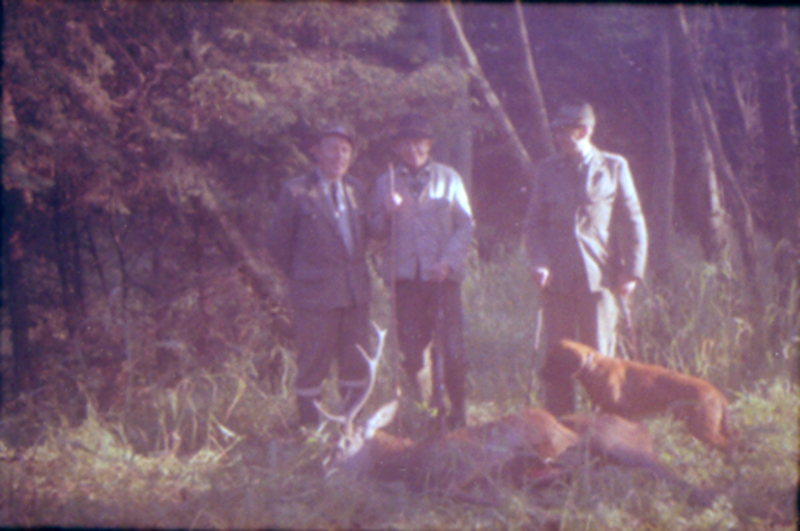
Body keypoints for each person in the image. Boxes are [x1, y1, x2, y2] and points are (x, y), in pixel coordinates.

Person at [524, 102, 648, 416]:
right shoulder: (547, 170)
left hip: (601, 277)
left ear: (584, 131)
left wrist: (632, 272)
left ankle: (604, 431)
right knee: (559, 357)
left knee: (600, 362)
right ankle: (561, 427)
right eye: (557, 131)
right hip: (557, 278)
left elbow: (633, 220)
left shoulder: (614, 166)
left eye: (564, 131)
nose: (558, 137)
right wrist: (538, 261)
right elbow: (534, 223)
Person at [370, 114, 474, 429]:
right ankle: (430, 413)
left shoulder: (449, 178)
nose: (413, 148)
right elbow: (373, 230)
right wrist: (386, 213)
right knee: (413, 355)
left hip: (443, 278)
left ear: (428, 145)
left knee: (453, 352)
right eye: (406, 143)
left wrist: (449, 261)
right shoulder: (384, 182)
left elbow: (465, 224)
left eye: (419, 142)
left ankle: (458, 414)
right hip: (405, 281)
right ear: (398, 147)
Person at [266, 123, 372, 427]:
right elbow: (277, 243)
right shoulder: (296, 191)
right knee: (313, 365)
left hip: (354, 295)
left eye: (345, 150)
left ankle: (350, 431)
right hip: (314, 297)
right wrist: (305, 275)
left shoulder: (356, 189)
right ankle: (312, 434)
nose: (338, 156)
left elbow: (371, 233)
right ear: (317, 152)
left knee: (356, 365)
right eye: (331, 148)